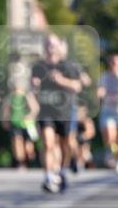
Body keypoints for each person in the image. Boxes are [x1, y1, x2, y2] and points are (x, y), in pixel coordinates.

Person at [31, 34, 83, 193]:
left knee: (65, 144)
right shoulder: (38, 66)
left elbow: (77, 86)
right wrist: (35, 85)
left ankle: (61, 171)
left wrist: (61, 81)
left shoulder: (68, 66)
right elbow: (32, 87)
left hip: (64, 111)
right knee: (47, 143)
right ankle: (48, 177)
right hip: (46, 111)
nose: (50, 48)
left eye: (53, 45)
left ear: (59, 47)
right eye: (47, 44)